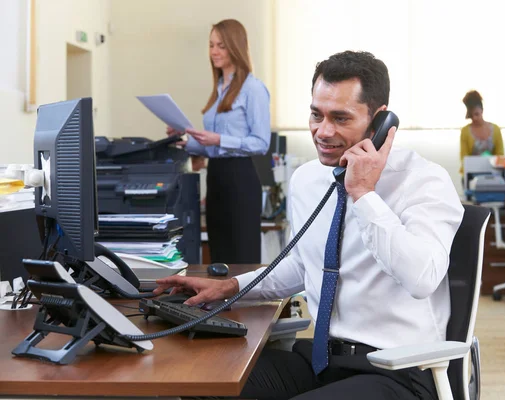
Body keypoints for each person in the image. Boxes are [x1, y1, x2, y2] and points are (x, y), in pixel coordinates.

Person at [156, 51, 464, 400]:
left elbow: (421, 279)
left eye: (341, 118)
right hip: (324, 362)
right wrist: (229, 288)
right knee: (199, 382)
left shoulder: (423, 181)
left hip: (399, 372)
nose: (323, 131)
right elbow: (303, 264)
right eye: (316, 115)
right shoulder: (308, 179)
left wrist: (363, 194)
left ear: (380, 122)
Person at [167, 19, 270, 264]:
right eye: (211, 45)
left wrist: (219, 138)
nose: (214, 51)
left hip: (240, 178)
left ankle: (244, 303)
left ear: (235, 47)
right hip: (217, 177)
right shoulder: (220, 89)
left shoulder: (253, 89)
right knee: (220, 255)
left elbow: (261, 142)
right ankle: (222, 302)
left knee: (241, 256)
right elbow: (211, 148)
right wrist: (185, 141)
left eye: (221, 46)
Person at [459, 90, 504, 174]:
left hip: (493, 173)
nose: (474, 118)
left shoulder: (496, 129)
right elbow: (464, 158)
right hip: (471, 174)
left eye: (476, 114)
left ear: (482, 110)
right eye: (471, 116)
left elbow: (500, 155)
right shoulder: (465, 131)